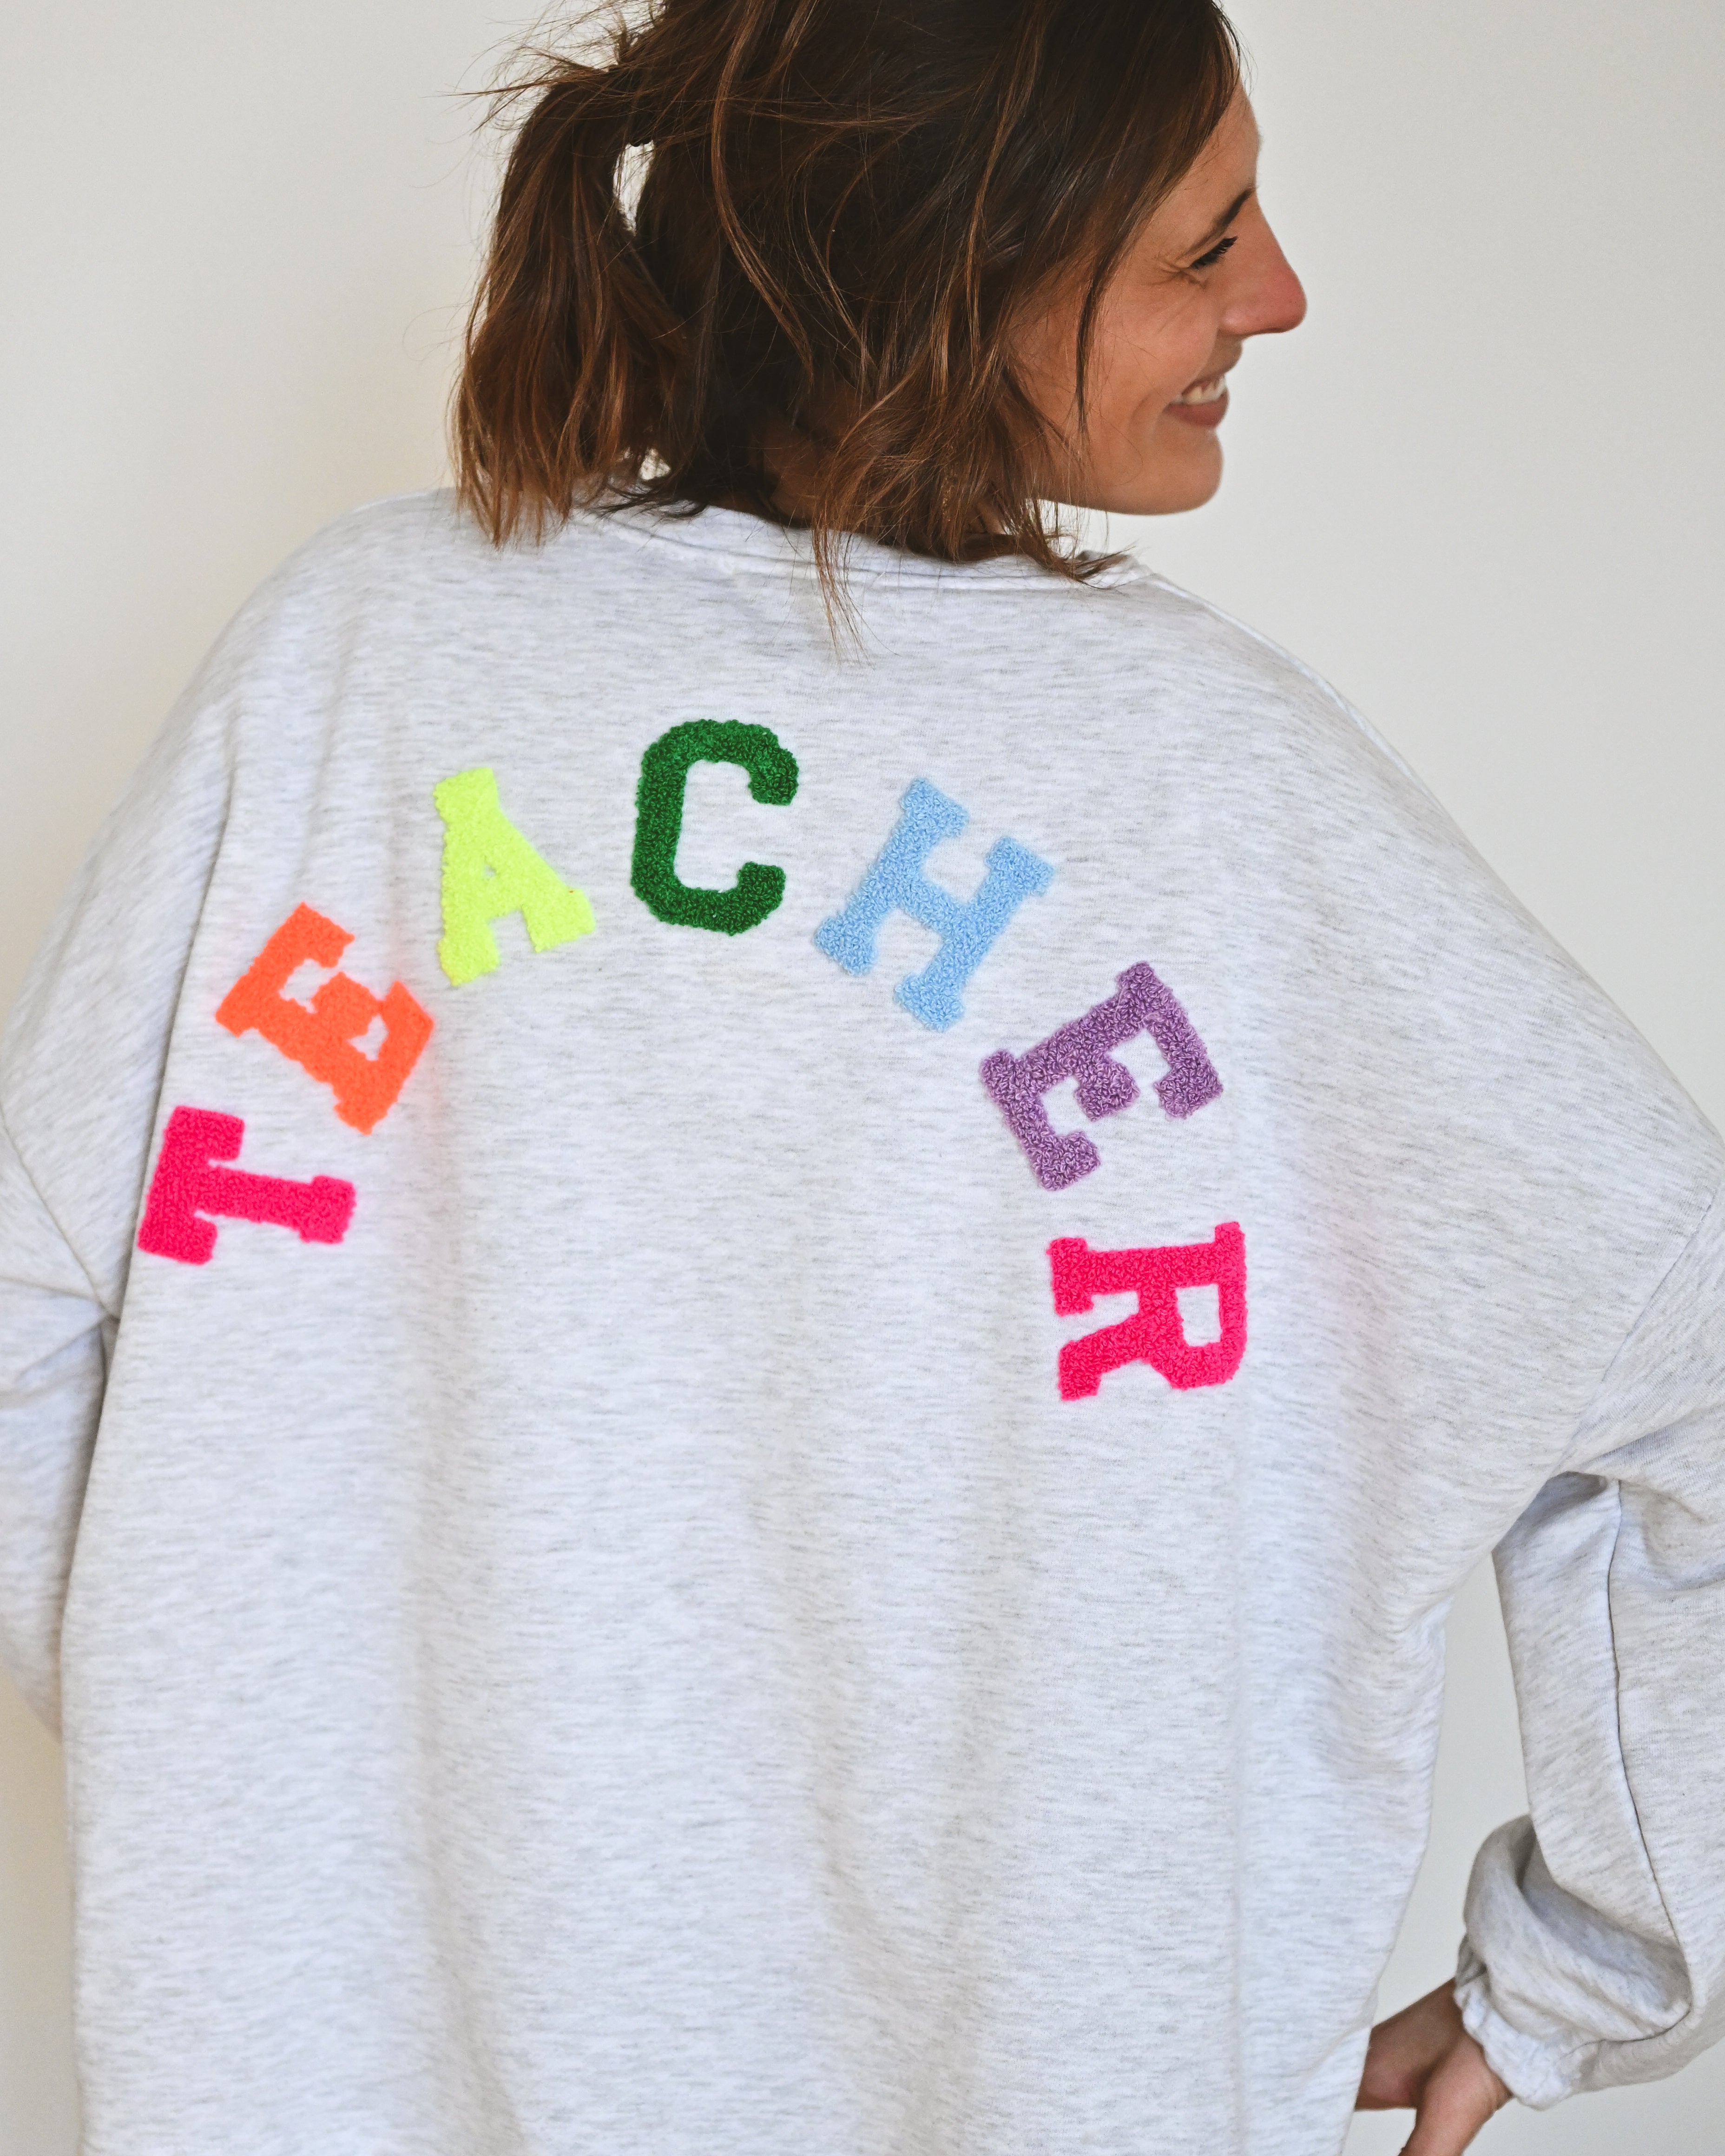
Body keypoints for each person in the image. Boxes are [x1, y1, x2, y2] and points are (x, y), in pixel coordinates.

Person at [1, 2, 1720, 2152]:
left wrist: (284, 1793)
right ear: (956, 274)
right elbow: (1682, 1328)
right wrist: (1596, 1959)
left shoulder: (352, 665)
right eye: (1203, 244)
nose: (1279, 294)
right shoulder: (1211, 787)